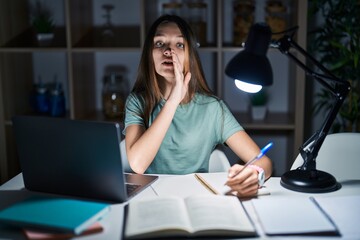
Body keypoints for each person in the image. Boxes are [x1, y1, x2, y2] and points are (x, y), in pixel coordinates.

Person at [123, 15, 272, 197]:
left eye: (179, 45)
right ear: (149, 54)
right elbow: (138, 164)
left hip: (197, 197)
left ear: (190, 56)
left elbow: (264, 162)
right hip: (150, 197)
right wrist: (172, 101)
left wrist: (256, 175)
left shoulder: (213, 108)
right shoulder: (137, 101)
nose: (169, 51)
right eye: (160, 43)